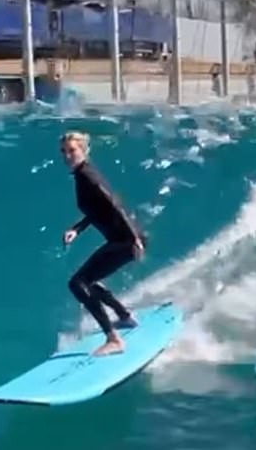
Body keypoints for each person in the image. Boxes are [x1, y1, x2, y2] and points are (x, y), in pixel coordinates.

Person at [59, 131, 147, 356]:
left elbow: (114, 204)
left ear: (84, 150)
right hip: (124, 239)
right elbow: (97, 210)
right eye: (64, 151)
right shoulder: (83, 175)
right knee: (88, 280)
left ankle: (113, 338)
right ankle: (124, 316)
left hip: (125, 240)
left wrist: (134, 239)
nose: (68, 155)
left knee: (78, 283)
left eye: (72, 150)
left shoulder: (87, 176)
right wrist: (76, 230)